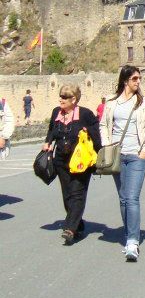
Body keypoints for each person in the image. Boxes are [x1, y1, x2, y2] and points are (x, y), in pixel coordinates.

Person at [100, 66, 145, 262]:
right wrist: (107, 145)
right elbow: (104, 125)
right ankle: (128, 232)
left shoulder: (144, 103)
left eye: (139, 78)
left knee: (132, 198)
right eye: (134, 79)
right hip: (116, 155)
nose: (138, 82)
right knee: (123, 198)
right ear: (125, 81)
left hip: (136, 156)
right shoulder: (111, 102)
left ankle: (132, 241)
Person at [42, 84, 101, 244]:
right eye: (60, 96)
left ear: (73, 99)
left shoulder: (85, 114)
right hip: (61, 160)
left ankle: (70, 228)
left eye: (64, 97)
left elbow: (97, 134)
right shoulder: (56, 112)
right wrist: (48, 142)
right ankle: (78, 224)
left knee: (77, 193)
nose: (60, 99)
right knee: (67, 194)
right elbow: (51, 130)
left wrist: (98, 157)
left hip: (81, 161)